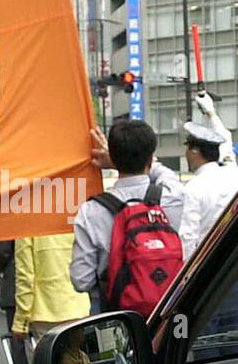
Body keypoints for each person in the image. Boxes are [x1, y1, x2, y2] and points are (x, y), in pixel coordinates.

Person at [70, 121, 184, 311]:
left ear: (113, 159)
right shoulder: (172, 196)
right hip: (165, 310)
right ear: (151, 158)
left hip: (113, 314)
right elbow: (164, 173)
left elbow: (81, 281)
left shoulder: (91, 211)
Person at [12, 232, 90, 364]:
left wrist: (20, 321)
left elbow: (25, 277)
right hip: (77, 306)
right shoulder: (71, 216)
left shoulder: (25, 224)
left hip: (44, 311)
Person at [178, 91, 238, 261]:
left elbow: (187, 237)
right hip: (233, 258)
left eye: (187, 148)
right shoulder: (231, 172)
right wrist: (210, 111)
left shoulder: (194, 188)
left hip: (207, 264)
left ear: (195, 151)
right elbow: (226, 140)